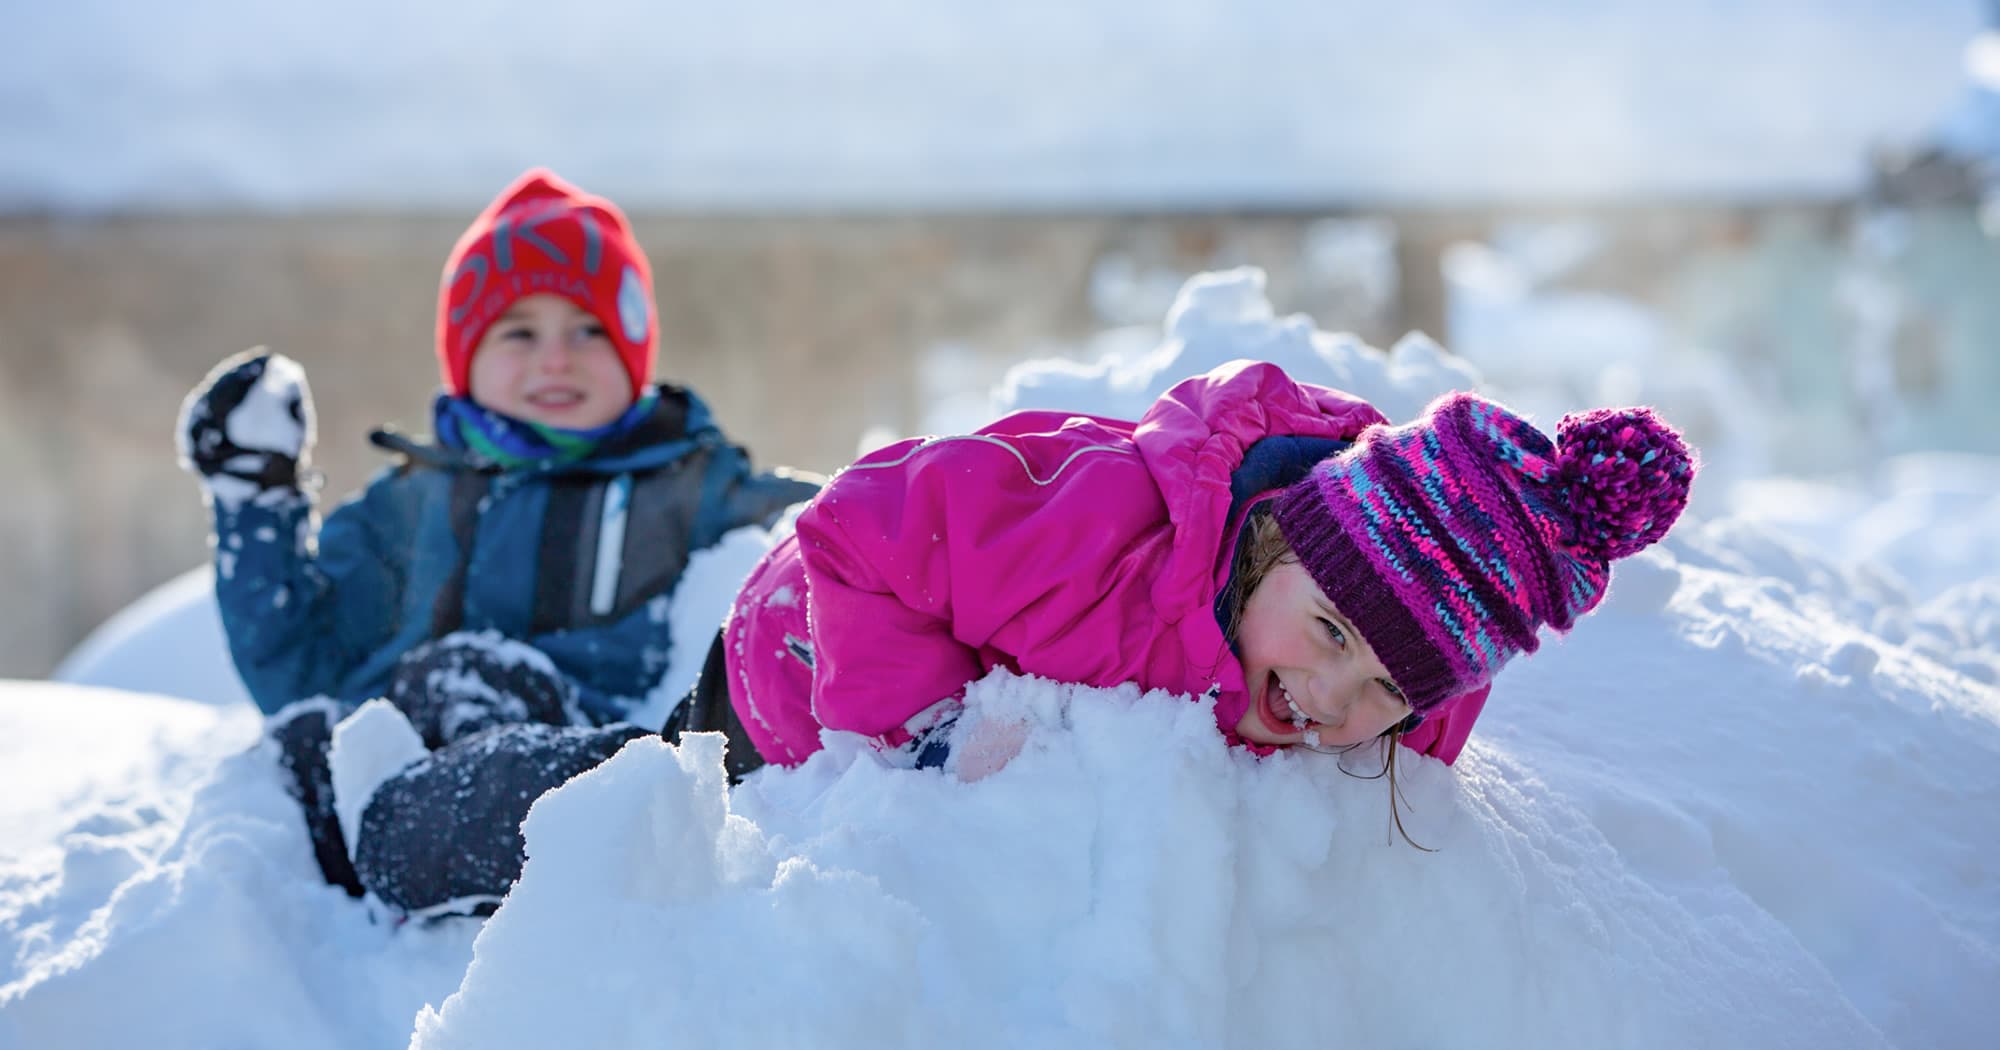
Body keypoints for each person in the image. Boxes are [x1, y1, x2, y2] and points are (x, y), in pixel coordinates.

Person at [176, 168, 820, 914]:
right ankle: (420, 839)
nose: (556, 357)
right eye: (520, 332)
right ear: (466, 357)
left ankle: (604, 813)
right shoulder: (407, 509)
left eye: (588, 330)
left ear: (634, 351)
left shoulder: (689, 485)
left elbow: (803, 542)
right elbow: (299, 668)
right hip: (418, 768)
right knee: (324, 738)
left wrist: (879, 520)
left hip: (583, 753)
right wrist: (254, 501)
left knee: (491, 689)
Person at [705, 359, 1694, 808]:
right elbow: (855, 529)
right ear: (1271, 541)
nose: (1328, 699)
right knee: (651, 850)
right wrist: (927, 741)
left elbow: (1428, 699)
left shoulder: (1409, 680)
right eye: (1333, 634)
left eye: (1385, 692)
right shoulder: (1097, 535)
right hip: (786, 679)